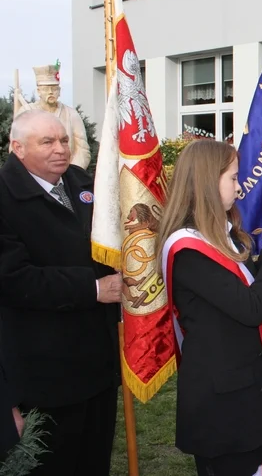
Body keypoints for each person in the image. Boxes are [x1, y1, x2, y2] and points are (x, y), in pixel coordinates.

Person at [158, 139, 262, 476]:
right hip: (221, 404)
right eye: (233, 178)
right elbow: (250, 307)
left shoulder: (221, 233)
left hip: (243, 390)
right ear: (207, 181)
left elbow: (243, 287)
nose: (239, 187)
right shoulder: (189, 247)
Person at [0, 109, 126, 476]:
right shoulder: (5, 199)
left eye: (64, 140)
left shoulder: (80, 180)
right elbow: (13, 279)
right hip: (45, 373)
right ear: (17, 148)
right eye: (48, 142)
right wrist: (91, 288)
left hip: (97, 363)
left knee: (94, 459)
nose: (61, 149)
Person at [14, 64, 91, 169]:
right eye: (46, 89)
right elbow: (17, 148)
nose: (50, 92)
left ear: (59, 91)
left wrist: (72, 175)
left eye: (54, 89)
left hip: (66, 176)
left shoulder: (71, 114)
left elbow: (82, 149)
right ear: (39, 91)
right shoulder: (26, 112)